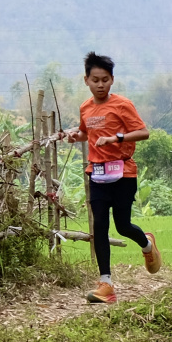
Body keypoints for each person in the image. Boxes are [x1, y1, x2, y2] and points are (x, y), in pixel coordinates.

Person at [69, 52, 161, 303]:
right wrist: (75, 136)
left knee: (122, 226)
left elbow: (143, 132)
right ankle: (106, 284)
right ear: (86, 80)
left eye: (105, 80)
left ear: (112, 80)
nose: (100, 85)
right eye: (95, 80)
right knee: (99, 225)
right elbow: (86, 132)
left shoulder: (122, 105)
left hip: (123, 173)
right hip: (97, 174)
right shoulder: (85, 107)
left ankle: (147, 244)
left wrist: (116, 138)